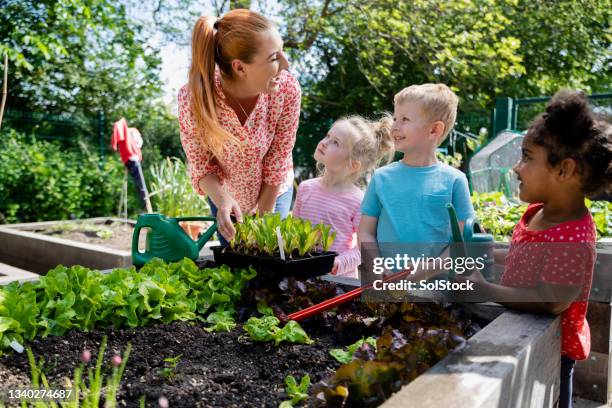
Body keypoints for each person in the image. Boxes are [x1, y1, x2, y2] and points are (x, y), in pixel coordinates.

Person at [455, 90, 611, 408]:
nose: (515, 167)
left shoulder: (573, 237)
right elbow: (524, 254)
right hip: (522, 333)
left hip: (553, 348)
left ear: (563, 171)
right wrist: (487, 255)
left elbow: (551, 300)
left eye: (526, 157)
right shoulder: (538, 212)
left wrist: (486, 287)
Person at [178, 9, 301, 245]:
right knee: (235, 266)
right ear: (240, 67)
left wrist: (263, 220)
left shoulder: (287, 90)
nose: (285, 64)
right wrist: (223, 199)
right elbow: (201, 163)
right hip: (225, 196)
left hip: (273, 191)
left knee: (268, 259)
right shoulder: (194, 99)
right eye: (274, 58)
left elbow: (278, 158)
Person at [358, 84, 474, 264]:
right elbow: (366, 232)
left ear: (434, 130)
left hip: (437, 289)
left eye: (404, 119)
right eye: (395, 118)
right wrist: (377, 266)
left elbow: (462, 240)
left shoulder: (455, 180)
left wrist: (426, 271)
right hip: (385, 286)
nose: (394, 126)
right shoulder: (381, 177)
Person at [292, 115, 394, 278]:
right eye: (328, 136)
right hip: (302, 275)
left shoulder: (359, 201)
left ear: (353, 164)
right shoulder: (305, 188)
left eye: (336, 142)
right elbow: (293, 230)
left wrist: (340, 262)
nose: (324, 142)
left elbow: (365, 248)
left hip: (337, 281)